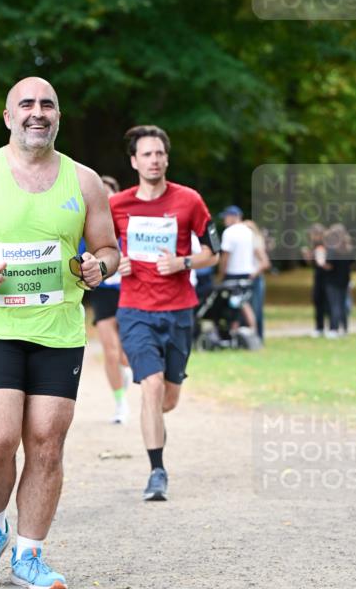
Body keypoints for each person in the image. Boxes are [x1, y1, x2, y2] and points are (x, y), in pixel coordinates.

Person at [0, 77, 119, 589]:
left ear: (58, 116)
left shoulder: (83, 182)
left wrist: (97, 267)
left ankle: (31, 554)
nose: (38, 112)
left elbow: (107, 248)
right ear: (9, 116)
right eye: (27, 105)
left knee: (47, 446)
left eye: (48, 104)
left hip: (59, 332)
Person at [109, 125, 219, 502]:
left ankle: (155, 420)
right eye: (147, 154)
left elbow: (213, 252)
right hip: (135, 309)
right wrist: (114, 264)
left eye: (159, 153)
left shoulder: (189, 200)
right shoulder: (117, 205)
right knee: (151, 386)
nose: (154, 160)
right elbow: (99, 251)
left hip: (179, 311)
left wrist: (183, 261)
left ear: (166, 158)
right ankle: (157, 470)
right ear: (134, 161)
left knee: (167, 398)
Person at [89, 175, 133, 424]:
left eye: (109, 192)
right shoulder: (89, 222)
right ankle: (120, 404)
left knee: (125, 353)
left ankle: (125, 372)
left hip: (128, 289)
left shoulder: (129, 221)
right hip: (104, 290)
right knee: (110, 350)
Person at [217, 206, 256, 334]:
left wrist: (221, 274)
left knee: (238, 304)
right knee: (240, 303)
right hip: (247, 272)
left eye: (226, 218)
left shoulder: (229, 232)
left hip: (233, 273)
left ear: (233, 217)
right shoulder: (249, 231)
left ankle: (243, 331)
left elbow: (225, 256)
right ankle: (244, 331)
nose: (224, 221)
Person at [323, 224, 353, 337]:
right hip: (344, 279)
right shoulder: (348, 248)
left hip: (332, 280)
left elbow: (329, 265)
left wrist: (321, 263)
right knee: (342, 304)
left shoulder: (332, 249)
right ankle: (344, 328)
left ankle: (333, 329)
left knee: (334, 305)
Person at [245, 219, 271, 342]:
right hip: (254, 279)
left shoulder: (255, 243)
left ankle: (257, 338)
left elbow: (265, 263)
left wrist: (253, 274)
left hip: (256, 279)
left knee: (256, 310)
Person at [302, 223, 329, 337]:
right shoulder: (315, 247)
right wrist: (307, 256)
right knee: (317, 301)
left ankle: (332, 327)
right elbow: (312, 263)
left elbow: (325, 263)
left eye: (313, 235)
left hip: (327, 277)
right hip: (318, 276)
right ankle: (319, 327)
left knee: (327, 302)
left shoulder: (327, 246)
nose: (312, 237)